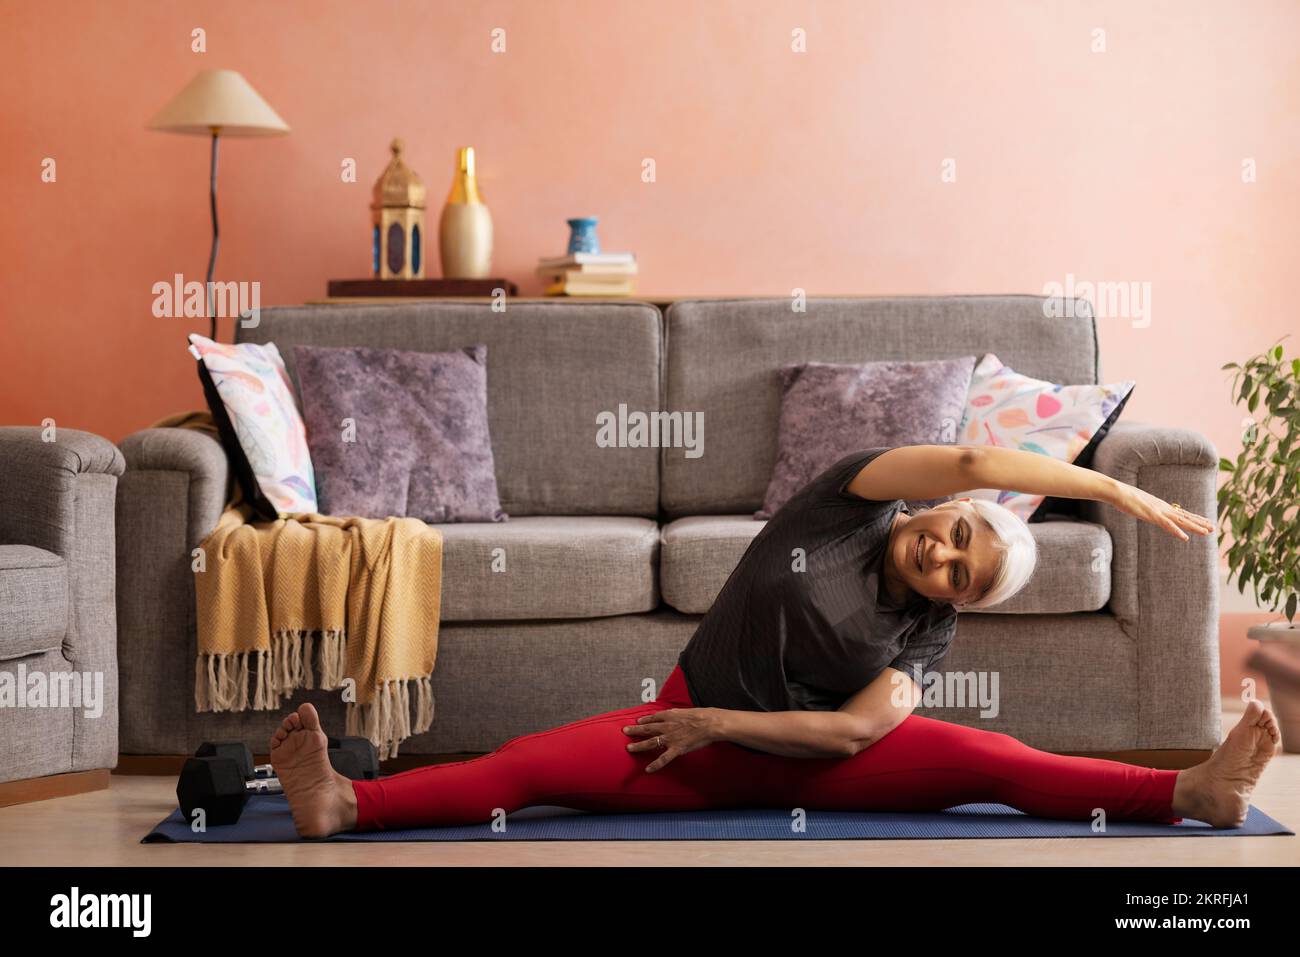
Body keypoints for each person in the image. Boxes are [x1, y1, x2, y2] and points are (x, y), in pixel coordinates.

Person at [266, 445, 1279, 837]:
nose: (944, 557)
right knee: (530, 767)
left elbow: (849, 736)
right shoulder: (840, 508)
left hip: (795, 754)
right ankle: (346, 804)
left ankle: (1190, 793)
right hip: (685, 740)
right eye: (955, 531)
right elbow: (970, 453)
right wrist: (1101, 487)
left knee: (993, 759)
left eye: (963, 573)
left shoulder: (927, 633)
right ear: (948, 507)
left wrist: (727, 721)